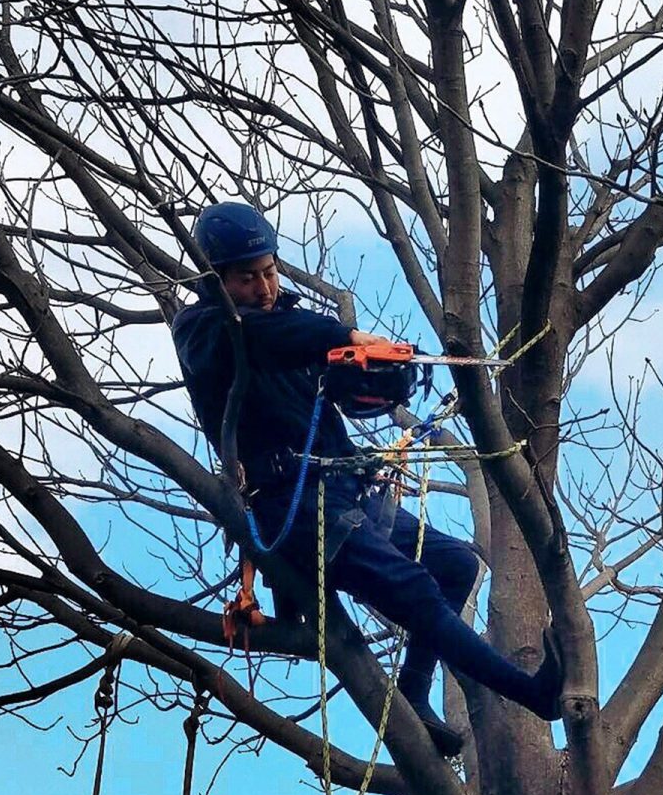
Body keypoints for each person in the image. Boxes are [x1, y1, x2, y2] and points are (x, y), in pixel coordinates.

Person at [170, 202, 561, 756]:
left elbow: (332, 386)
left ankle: (414, 695)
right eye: (246, 278)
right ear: (216, 280)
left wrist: (376, 374)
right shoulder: (205, 330)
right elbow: (272, 338)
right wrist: (348, 335)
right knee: (415, 590)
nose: (262, 286)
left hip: (345, 489)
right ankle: (534, 696)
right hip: (291, 506)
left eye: (269, 271)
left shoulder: (295, 323)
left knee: (456, 564)